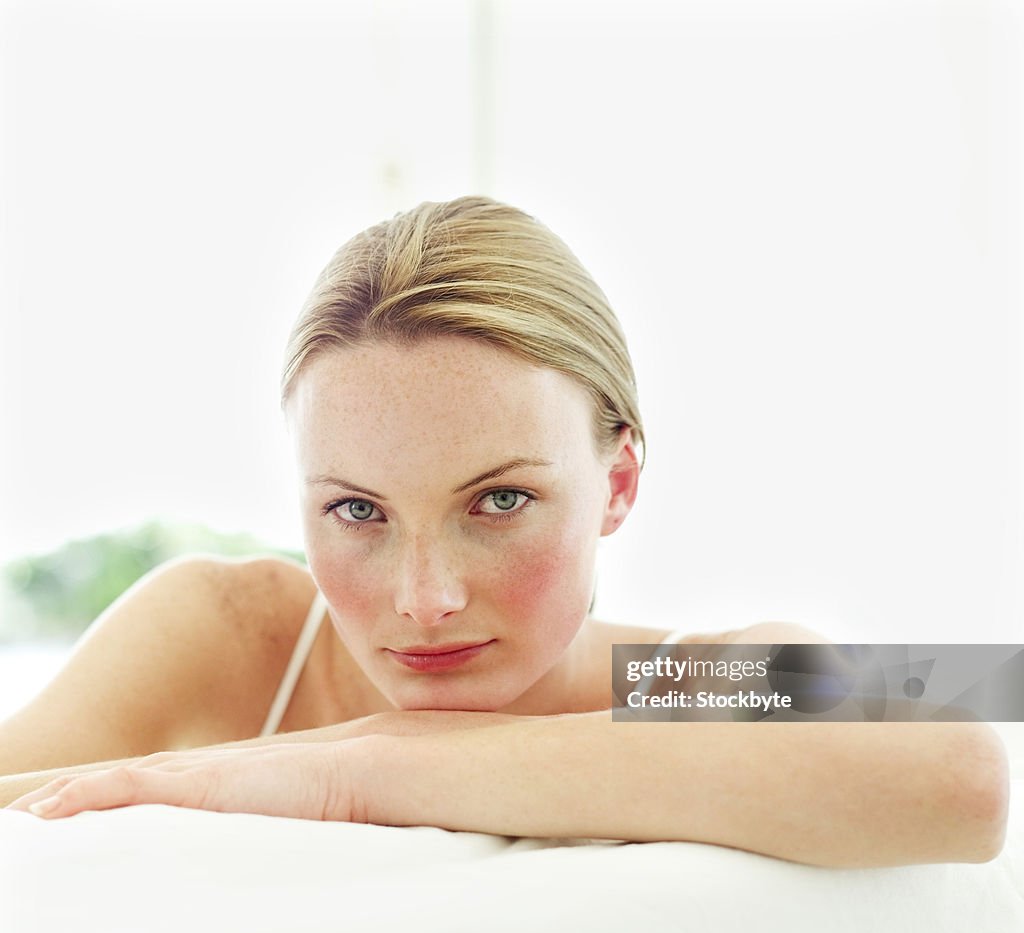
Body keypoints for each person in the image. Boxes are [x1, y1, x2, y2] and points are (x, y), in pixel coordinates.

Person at [0, 197, 1010, 868]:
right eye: (357, 511)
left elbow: (958, 765)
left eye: (498, 501)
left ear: (616, 481)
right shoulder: (231, 635)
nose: (424, 598)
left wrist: (361, 767)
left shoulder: (669, 681)